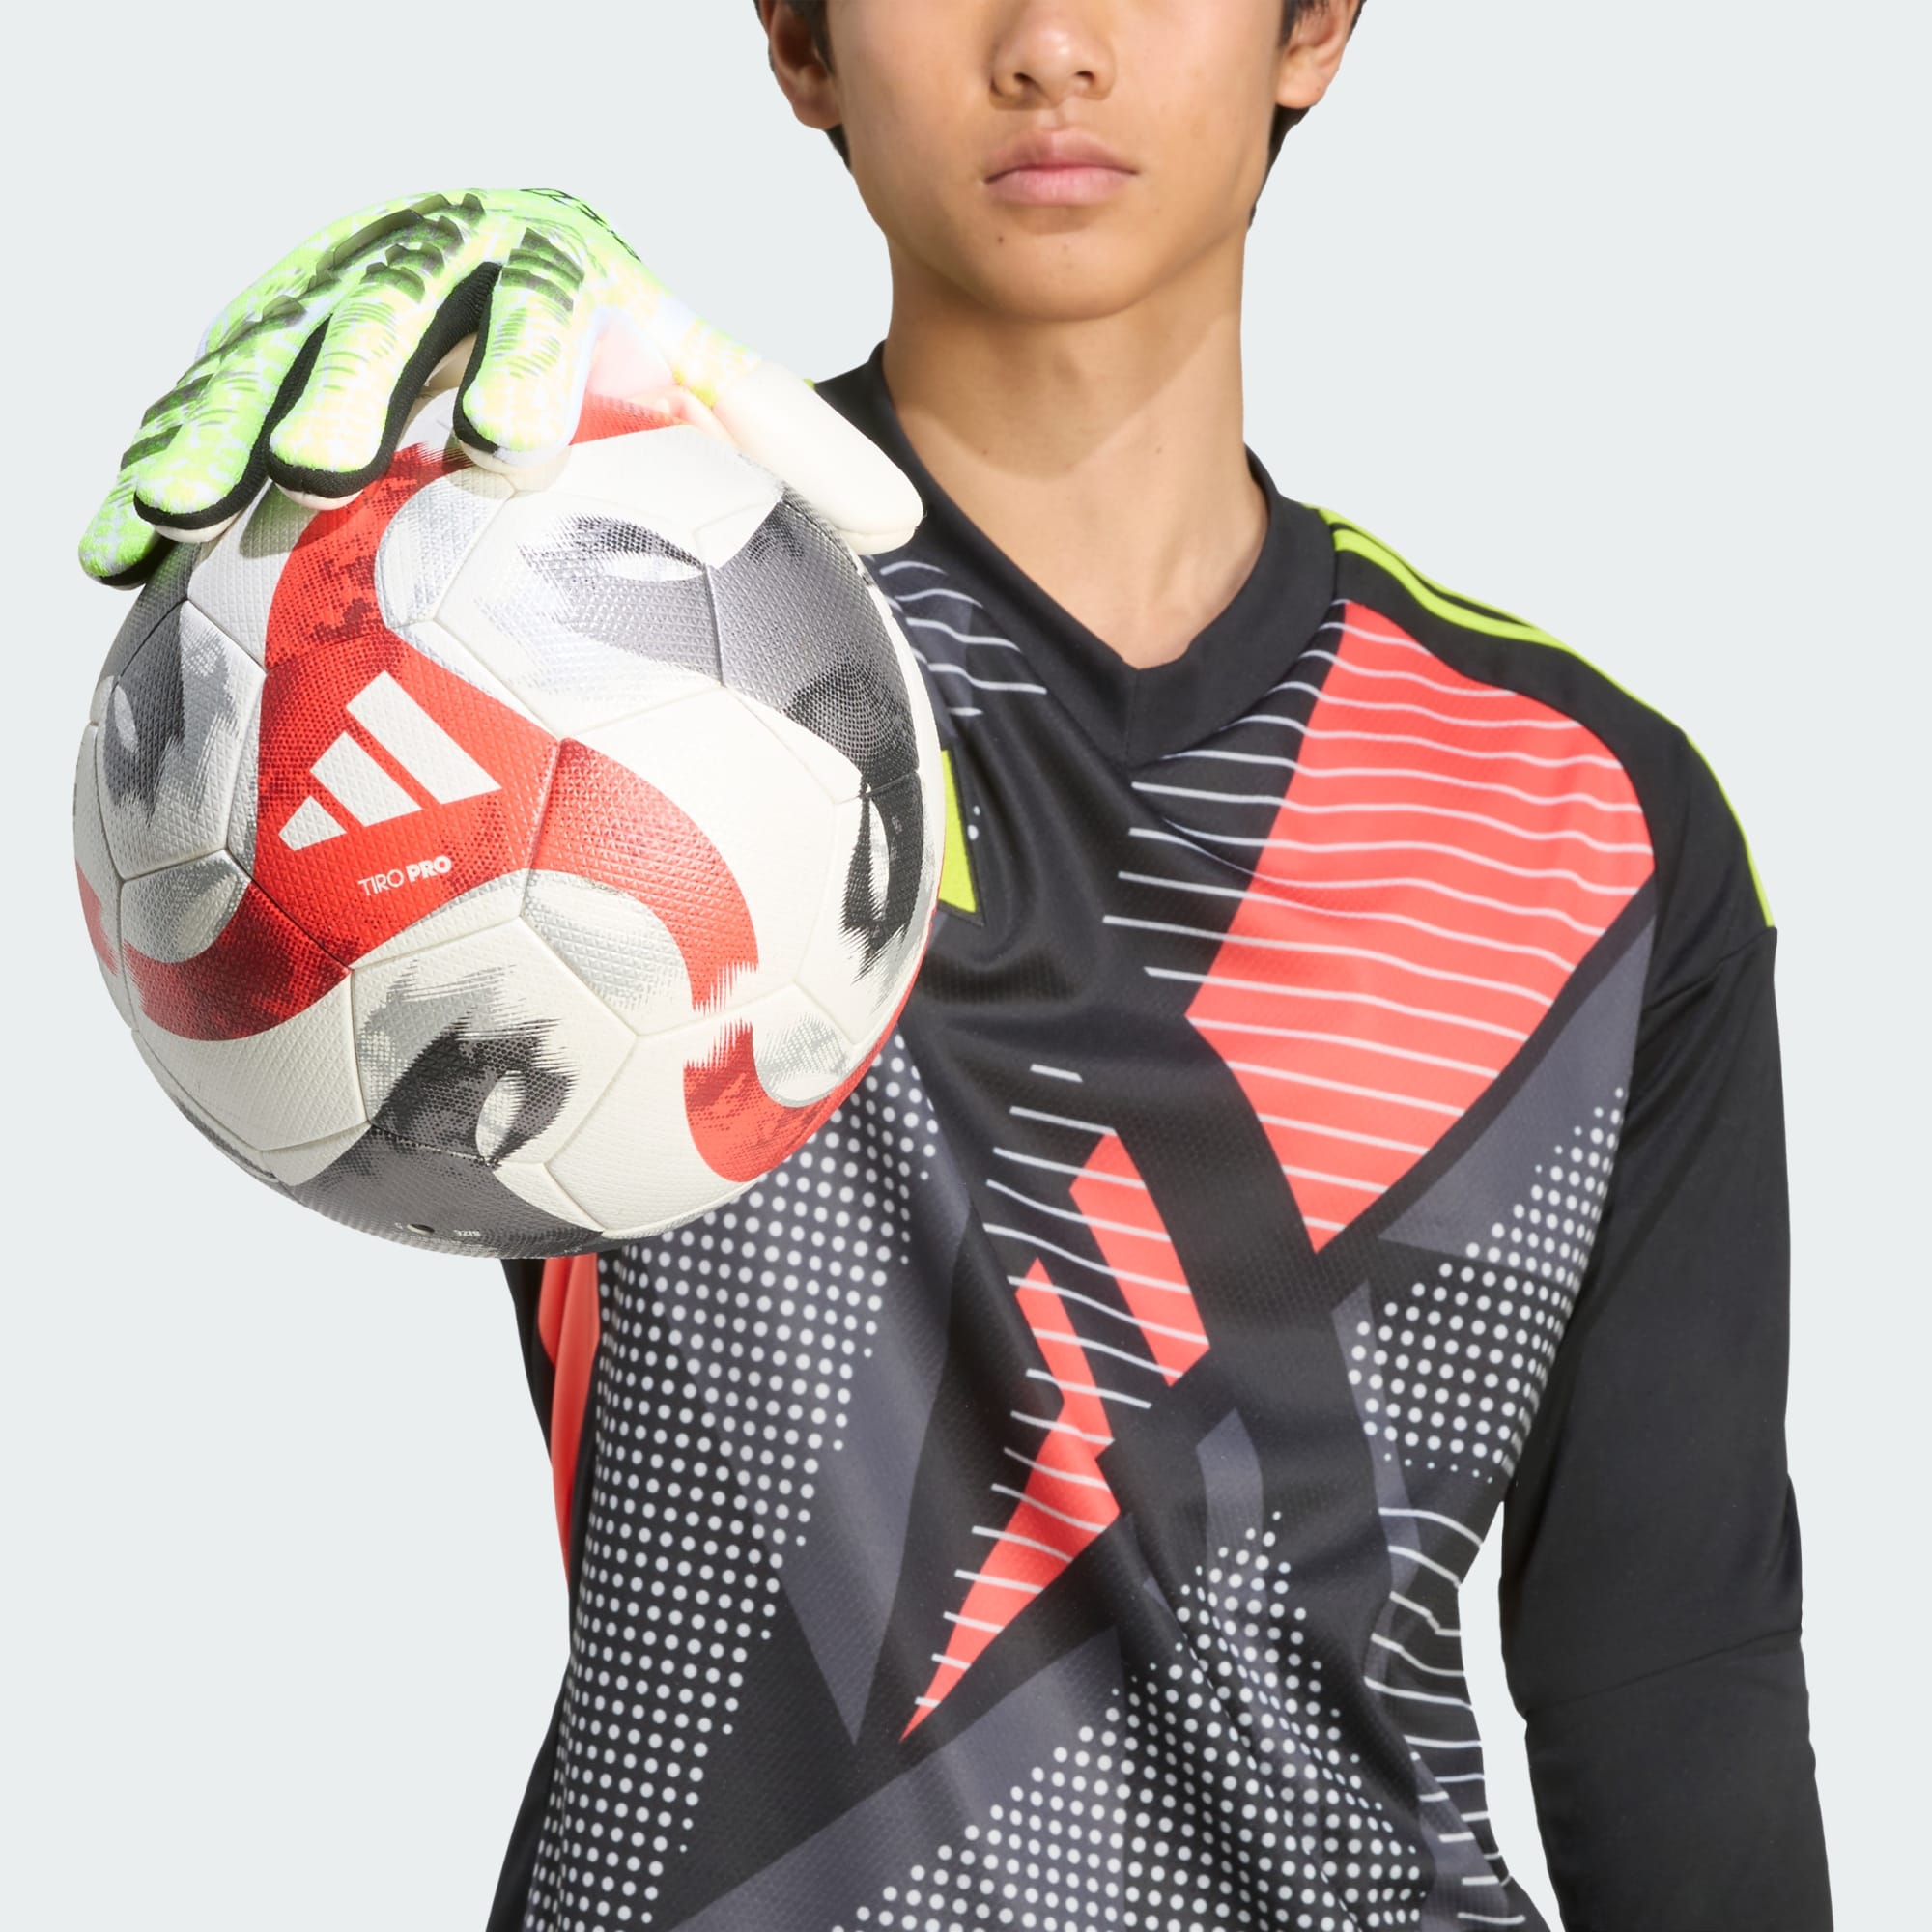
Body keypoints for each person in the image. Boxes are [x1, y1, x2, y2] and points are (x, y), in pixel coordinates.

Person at [76, 3, 1833, 1926]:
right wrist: (386, 536)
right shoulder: (551, 640)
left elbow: (1674, 1676)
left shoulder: (1586, 818)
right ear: (799, 40)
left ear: (1316, 21)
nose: (1051, 39)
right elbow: (254, 910)